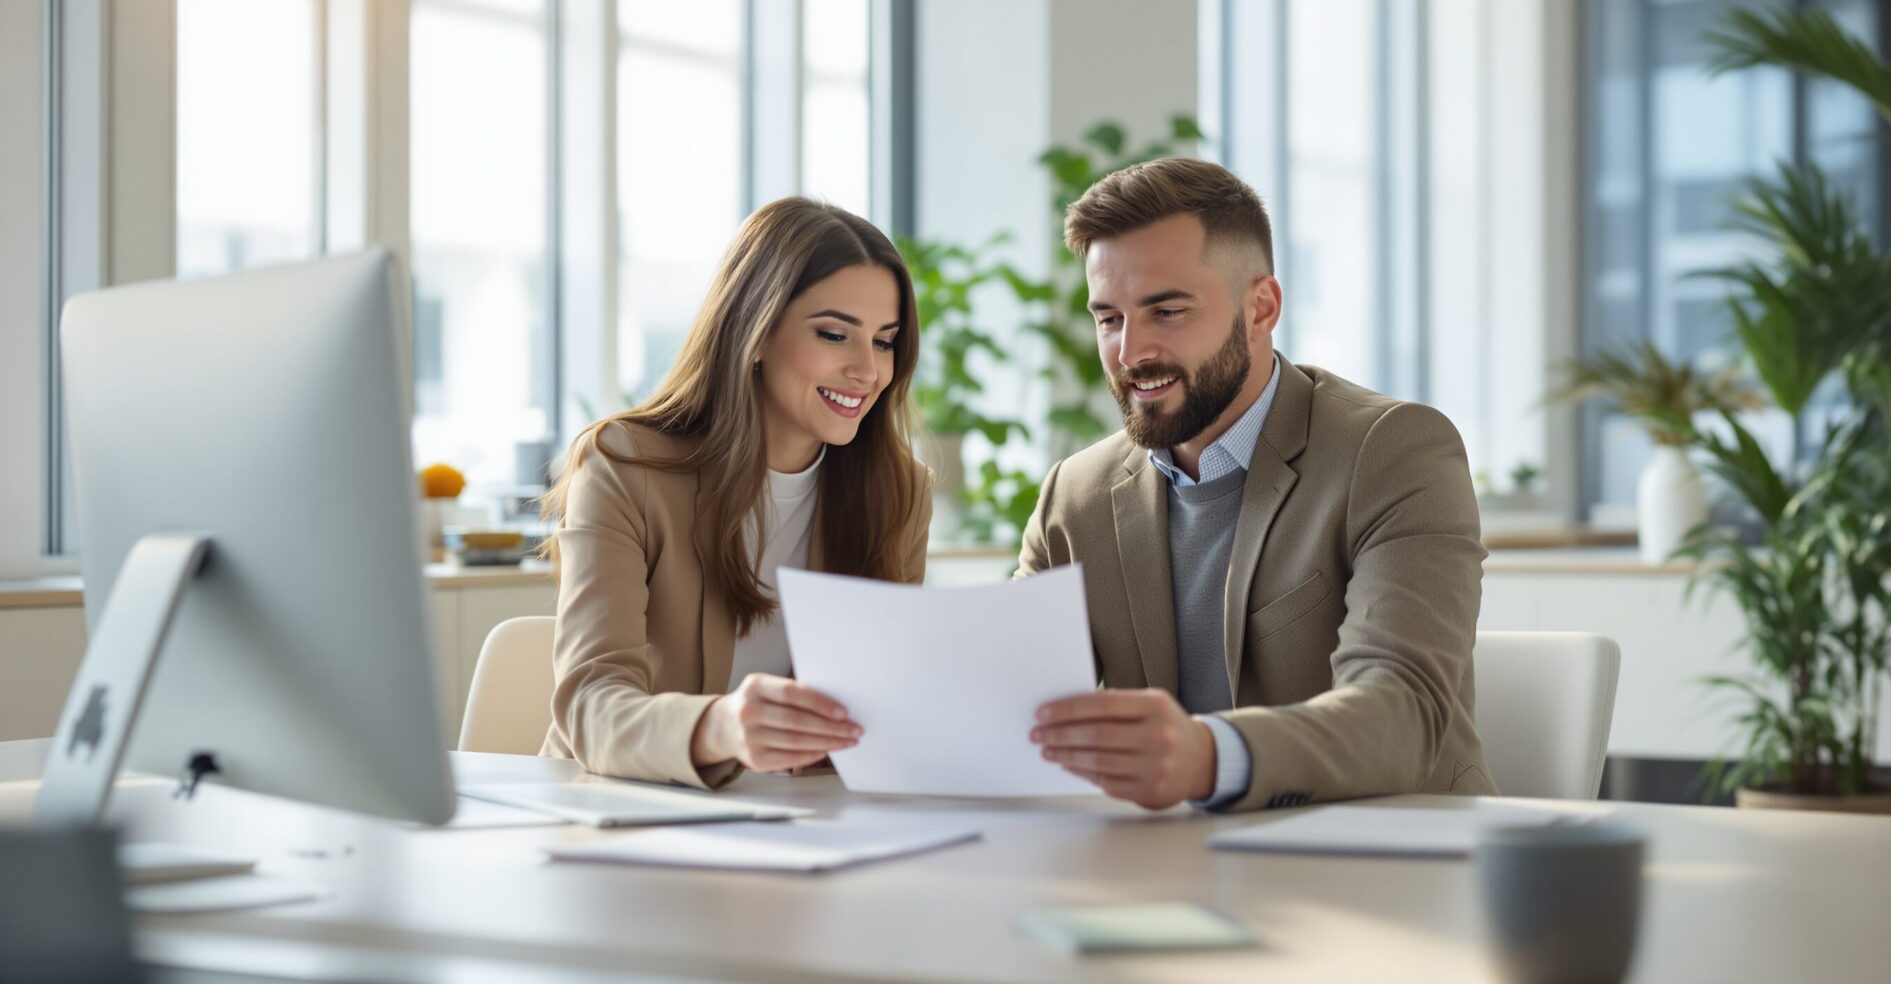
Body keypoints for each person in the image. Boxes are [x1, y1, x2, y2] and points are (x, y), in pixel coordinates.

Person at [1020, 157, 1495, 811]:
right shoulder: (1074, 495)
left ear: (1261, 307)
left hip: (1387, 864)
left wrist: (1208, 755)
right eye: (1109, 318)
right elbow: (1007, 701)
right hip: (1170, 872)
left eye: (1166, 310)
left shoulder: (1393, 451)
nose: (1130, 352)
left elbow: (1401, 714)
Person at [540, 197, 931, 789]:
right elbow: (589, 705)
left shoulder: (899, 491)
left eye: (884, 341)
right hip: (616, 811)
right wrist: (723, 727)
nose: (869, 370)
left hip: (799, 823)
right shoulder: (624, 467)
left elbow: (884, 699)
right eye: (834, 334)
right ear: (755, 333)